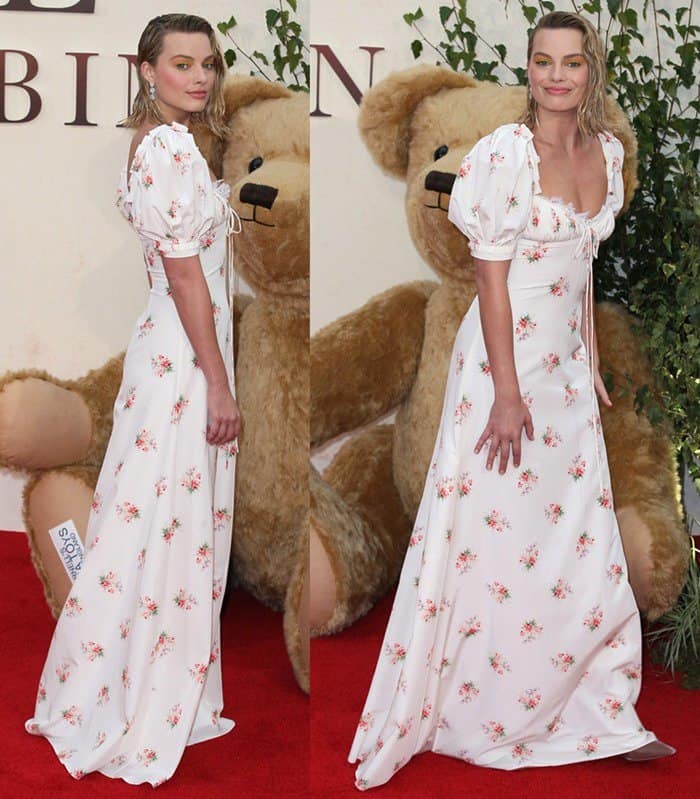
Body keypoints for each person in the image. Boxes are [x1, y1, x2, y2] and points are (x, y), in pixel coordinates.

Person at [348, 11, 675, 791]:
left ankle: (594, 703)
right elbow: (490, 279)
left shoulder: (609, 153)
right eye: (542, 62)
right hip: (503, 364)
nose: (556, 76)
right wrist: (504, 389)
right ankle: (488, 707)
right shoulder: (501, 155)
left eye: (571, 63)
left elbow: (583, 262)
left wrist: (590, 358)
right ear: (527, 68)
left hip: (563, 369)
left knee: (576, 538)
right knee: (497, 538)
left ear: (592, 72)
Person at [24, 13, 241, 786]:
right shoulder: (168, 147)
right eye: (182, 63)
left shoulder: (162, 141)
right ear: (147, 69)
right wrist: (217, 379)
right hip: (185, 361)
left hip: (176, 351)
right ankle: (124, 697)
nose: (200, 77)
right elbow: (187, 278)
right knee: (151, 523)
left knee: (154, 522)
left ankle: (133, 683)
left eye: (209, 64)